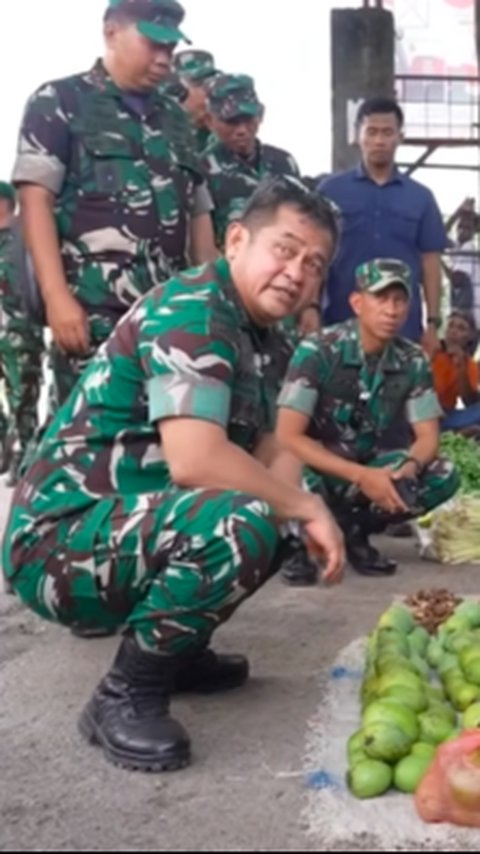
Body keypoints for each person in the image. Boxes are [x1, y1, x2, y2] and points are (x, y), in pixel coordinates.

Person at [3, 178, 344, 773]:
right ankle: (125, 693)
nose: (297, 272)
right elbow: (197, 460)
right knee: (247, 519)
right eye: (284, 250)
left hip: (126, 526)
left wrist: (306, 503)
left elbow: (269, 443)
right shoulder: (194, 307)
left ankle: (177, 647)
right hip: (56, 544)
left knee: (281, 511)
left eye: (314, 264)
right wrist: (301, 506)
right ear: (236, 240)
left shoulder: (265, 337)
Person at [12, 0, 217, 406]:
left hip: (168, 321)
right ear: (111, 32)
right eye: (153, 45)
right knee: (86, 446)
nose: (164, 60)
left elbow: (199, 216)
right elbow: (34, 202)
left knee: (164, 450)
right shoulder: (60, 101)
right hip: (93, 315)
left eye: (170, 49)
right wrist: (57, 298)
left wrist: (210, 302)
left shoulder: (175, 120)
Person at [276, 258, 459, 584]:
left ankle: (354, 530)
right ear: (357, 302)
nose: (391, 310)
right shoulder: (318, 350)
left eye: (400, 300)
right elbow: (287, 436)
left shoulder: (411, 359)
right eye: (381, 298)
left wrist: (410, 467)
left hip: (363, 466)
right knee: (287, 470)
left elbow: (428, 436)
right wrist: (362, 476)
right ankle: (298, 542)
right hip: (313, 467)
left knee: (442, 474)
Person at [318, 97, 447, 357]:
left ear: (400, 137)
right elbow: (315, 256)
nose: (379, 141)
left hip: (401, 326)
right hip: (339, 322)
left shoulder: (421, 198)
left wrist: (433, 324)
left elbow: (430, 263)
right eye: (372, 132)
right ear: (358, 135)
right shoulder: (330, 191)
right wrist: (309, 309)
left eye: (387, 133)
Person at [0, 182, 43, 485]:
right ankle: (5, 445)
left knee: (23, 396)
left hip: (21, 331)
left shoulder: (24, 237)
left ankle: (27, 458)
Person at [432, 310, 480, 434]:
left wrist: (461, 367)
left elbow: (469, 402)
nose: (454, 332)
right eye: (451, 326)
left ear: (469, 336)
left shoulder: (469, 365)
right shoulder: (433, 351)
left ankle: (453, 431)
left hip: (447, 416)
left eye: (461, 328)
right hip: (422, 413)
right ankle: (458, 432)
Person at [172, 48, 219, 151]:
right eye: (201, 84)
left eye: (213, 83)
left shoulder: (223, 132)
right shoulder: (162, 132)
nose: (209, 91)